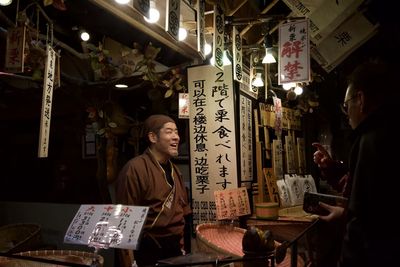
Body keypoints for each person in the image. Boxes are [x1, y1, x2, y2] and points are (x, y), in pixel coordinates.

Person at [312, 60, 399, 267]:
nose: (347, 112)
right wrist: (332, 169)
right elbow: (379, 203)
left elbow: (364, 222)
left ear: (360, 99)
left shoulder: (371, 139)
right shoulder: (388, 131)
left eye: (346, 105)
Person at [115, 114, 192, 266]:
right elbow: (124, 222)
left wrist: (182, 247)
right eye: (169, 132)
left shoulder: (175, 171)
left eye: (176, 132)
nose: (176, 137)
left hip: (174, 249)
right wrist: (129, 262)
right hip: (147, 249)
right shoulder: (135, 168)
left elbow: (182, 213)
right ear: (153, 137)